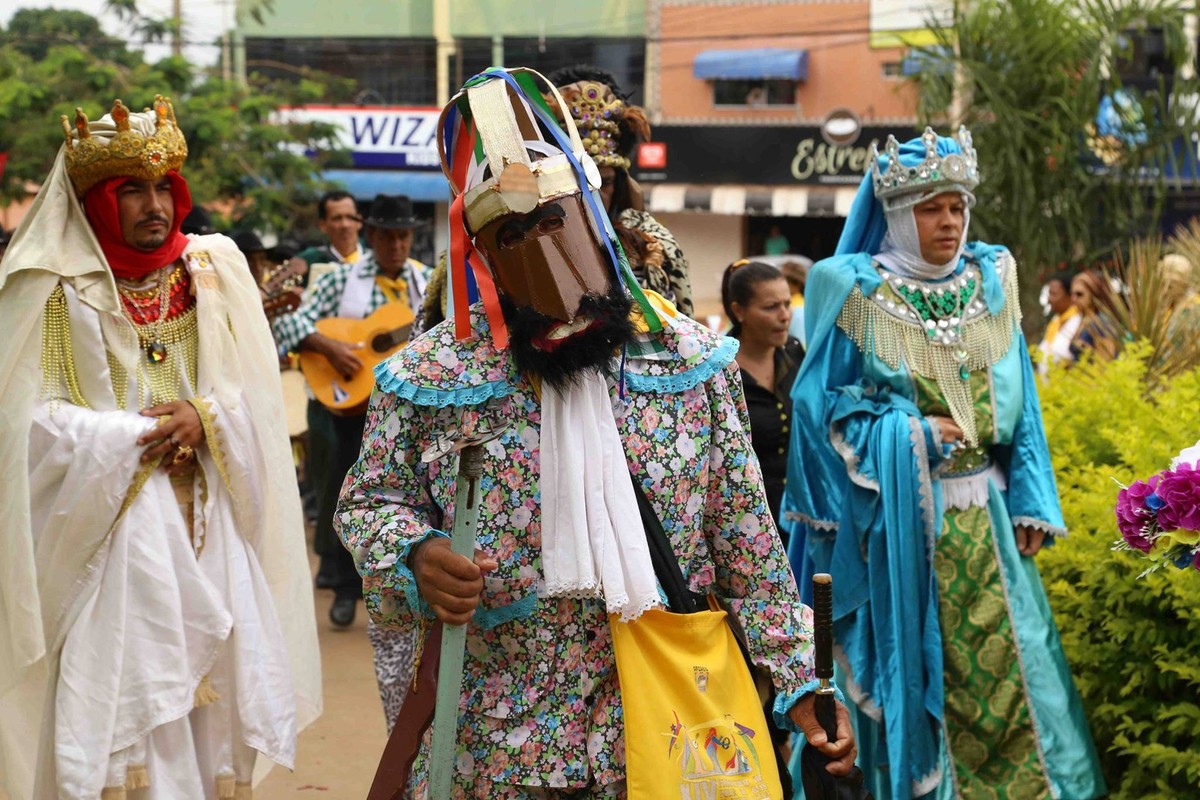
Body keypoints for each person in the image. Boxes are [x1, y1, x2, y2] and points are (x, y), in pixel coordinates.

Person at [336, 66, 855, 799]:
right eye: (513, 233)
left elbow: (745, 543)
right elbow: (368, 505)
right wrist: (417, 554)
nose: (543, 252)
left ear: (593, 217)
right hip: (496, 733)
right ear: (481, 252)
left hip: (663, 727)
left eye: (555, 221)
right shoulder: (433, 376)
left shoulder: (690, 364)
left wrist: (799, 679)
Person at [0, 96, 320, 800]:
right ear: (93, 200)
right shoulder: (49, 288)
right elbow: (25, 421)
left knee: (210, 700)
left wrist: (205, 418)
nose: (154, 205)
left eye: (162, 188)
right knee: (127, 708)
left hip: (209, 521)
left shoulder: (213, 269)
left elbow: (254, 398)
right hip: (105, 538)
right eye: (131, 190)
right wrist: (133, 436)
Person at [784, 127, 1105, 799]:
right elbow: (822, 412)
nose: (950, 221)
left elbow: (1024, 399)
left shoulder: (993, 278)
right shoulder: (853, 289)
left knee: (1026, 680)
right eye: (932, 207)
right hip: (899, 532)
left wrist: (1032, 497)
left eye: (957, 206)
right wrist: (911, 437)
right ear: (898, 213)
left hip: (988, 526)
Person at [273, 193, 428, 629]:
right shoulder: (340, 279)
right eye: (388, 237)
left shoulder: (427, 280)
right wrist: (329, 348)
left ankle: (395, 587)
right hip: (351, 411)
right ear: (372, 235)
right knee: (344, 494)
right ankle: (343, 588)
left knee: (406, 499)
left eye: (404, 237)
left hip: (408, 413)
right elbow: (288, 322)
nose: (397, 245)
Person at [546, 64, 696, 317]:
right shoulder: (528, 244)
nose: (591, 194)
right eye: (576, 183)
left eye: (605, 182)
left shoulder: (652, 245)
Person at [721, 259, 803, 536]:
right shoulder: (719, 372)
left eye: (787, 304)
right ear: (739, 311)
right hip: (746, 522)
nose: (784, 316)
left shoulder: (794, 353)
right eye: (771, 307)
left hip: (798, 514)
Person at [295, 189, 369, 286]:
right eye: (337, 218)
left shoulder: (375, 258)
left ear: (359, 221)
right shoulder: (309, 260)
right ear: (323, 225)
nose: (345, 225)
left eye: (350, 217)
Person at [1069, 269, 1120, 363]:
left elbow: (1108, 361)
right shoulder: (1084, 320)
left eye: (1079, 294)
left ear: (1093, 295)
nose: (1073, 299)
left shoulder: (1102, 322)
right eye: (1072, 294)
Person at [1037, 271, 1080, 372]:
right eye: (1049, 294)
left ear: (1070, 295)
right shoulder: (1055, 322)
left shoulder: (1079, 321)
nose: (1049, 299)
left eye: (1054, 294)